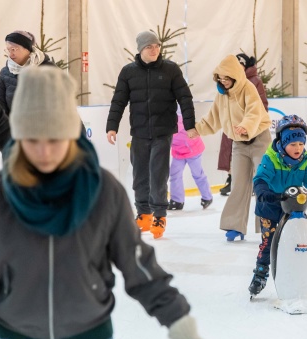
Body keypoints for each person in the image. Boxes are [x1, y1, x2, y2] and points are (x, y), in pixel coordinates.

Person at [0, 66, 212, 339]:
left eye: (55, 139)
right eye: (33, 140)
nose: (45, 152)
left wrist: (184, 332)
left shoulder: (102, 191)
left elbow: (141, 268)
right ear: (18, 138)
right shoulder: (1, 195)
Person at [106, 31, 195, 239]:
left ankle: (159, 215)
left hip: (163, 132)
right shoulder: (128, 72)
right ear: (140, 49)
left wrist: (190, 125)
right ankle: (143, 213)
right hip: (139, 131)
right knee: (139, 175)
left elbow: (185, 98)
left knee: (158, 173)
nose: (154, 50)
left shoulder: (171, 70)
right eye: (149, 47)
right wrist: (112, 126)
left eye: (156, 46)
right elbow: (118, 101)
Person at [192, 55, 271, 241]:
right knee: (238, 184)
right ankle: (235, 225)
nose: (223, 82)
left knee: (263, 183)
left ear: (235, 76)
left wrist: (245, 126)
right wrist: (197, 129)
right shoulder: (222, 95)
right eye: (220, 79)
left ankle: (268, 224)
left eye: (226, 78)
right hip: (239, 144)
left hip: (259, 139)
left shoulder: (248, 88)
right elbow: (213, 118)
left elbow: (255, 111)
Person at [248, 115, 307, 296]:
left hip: (292, 207)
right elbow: (260, 178)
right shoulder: (271, 158)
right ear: (283, 143)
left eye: (301, 144)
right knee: (268, 242)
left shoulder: (305, 160)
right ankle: (260, 274)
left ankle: (294, 270)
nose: (298, 148)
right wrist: (263, 192)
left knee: (295, 240)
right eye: (293, 144)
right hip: (269, 205)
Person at [218, 53, 269, 196]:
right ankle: (232, 179)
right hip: (233, 125)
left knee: (253, 155)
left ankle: (254, 182)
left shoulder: (254, 81)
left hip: (250, 127)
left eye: (240, 65)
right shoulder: (229, 80)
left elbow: (261, 104)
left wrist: (250, 122)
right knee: (230, 153)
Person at [0, 30, 54, 115]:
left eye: (13, 49)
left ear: (27, 49)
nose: (10, 54)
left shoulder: (49, 69)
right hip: (14, 127)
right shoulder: (5, 73)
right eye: (8, 50)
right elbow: (0, 106)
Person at [167, 114, 213, 211]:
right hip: (178, 151)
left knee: (197, 174)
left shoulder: (179, 117)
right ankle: (177, 200)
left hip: (193, 150)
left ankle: (207, 197)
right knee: (174, 174)